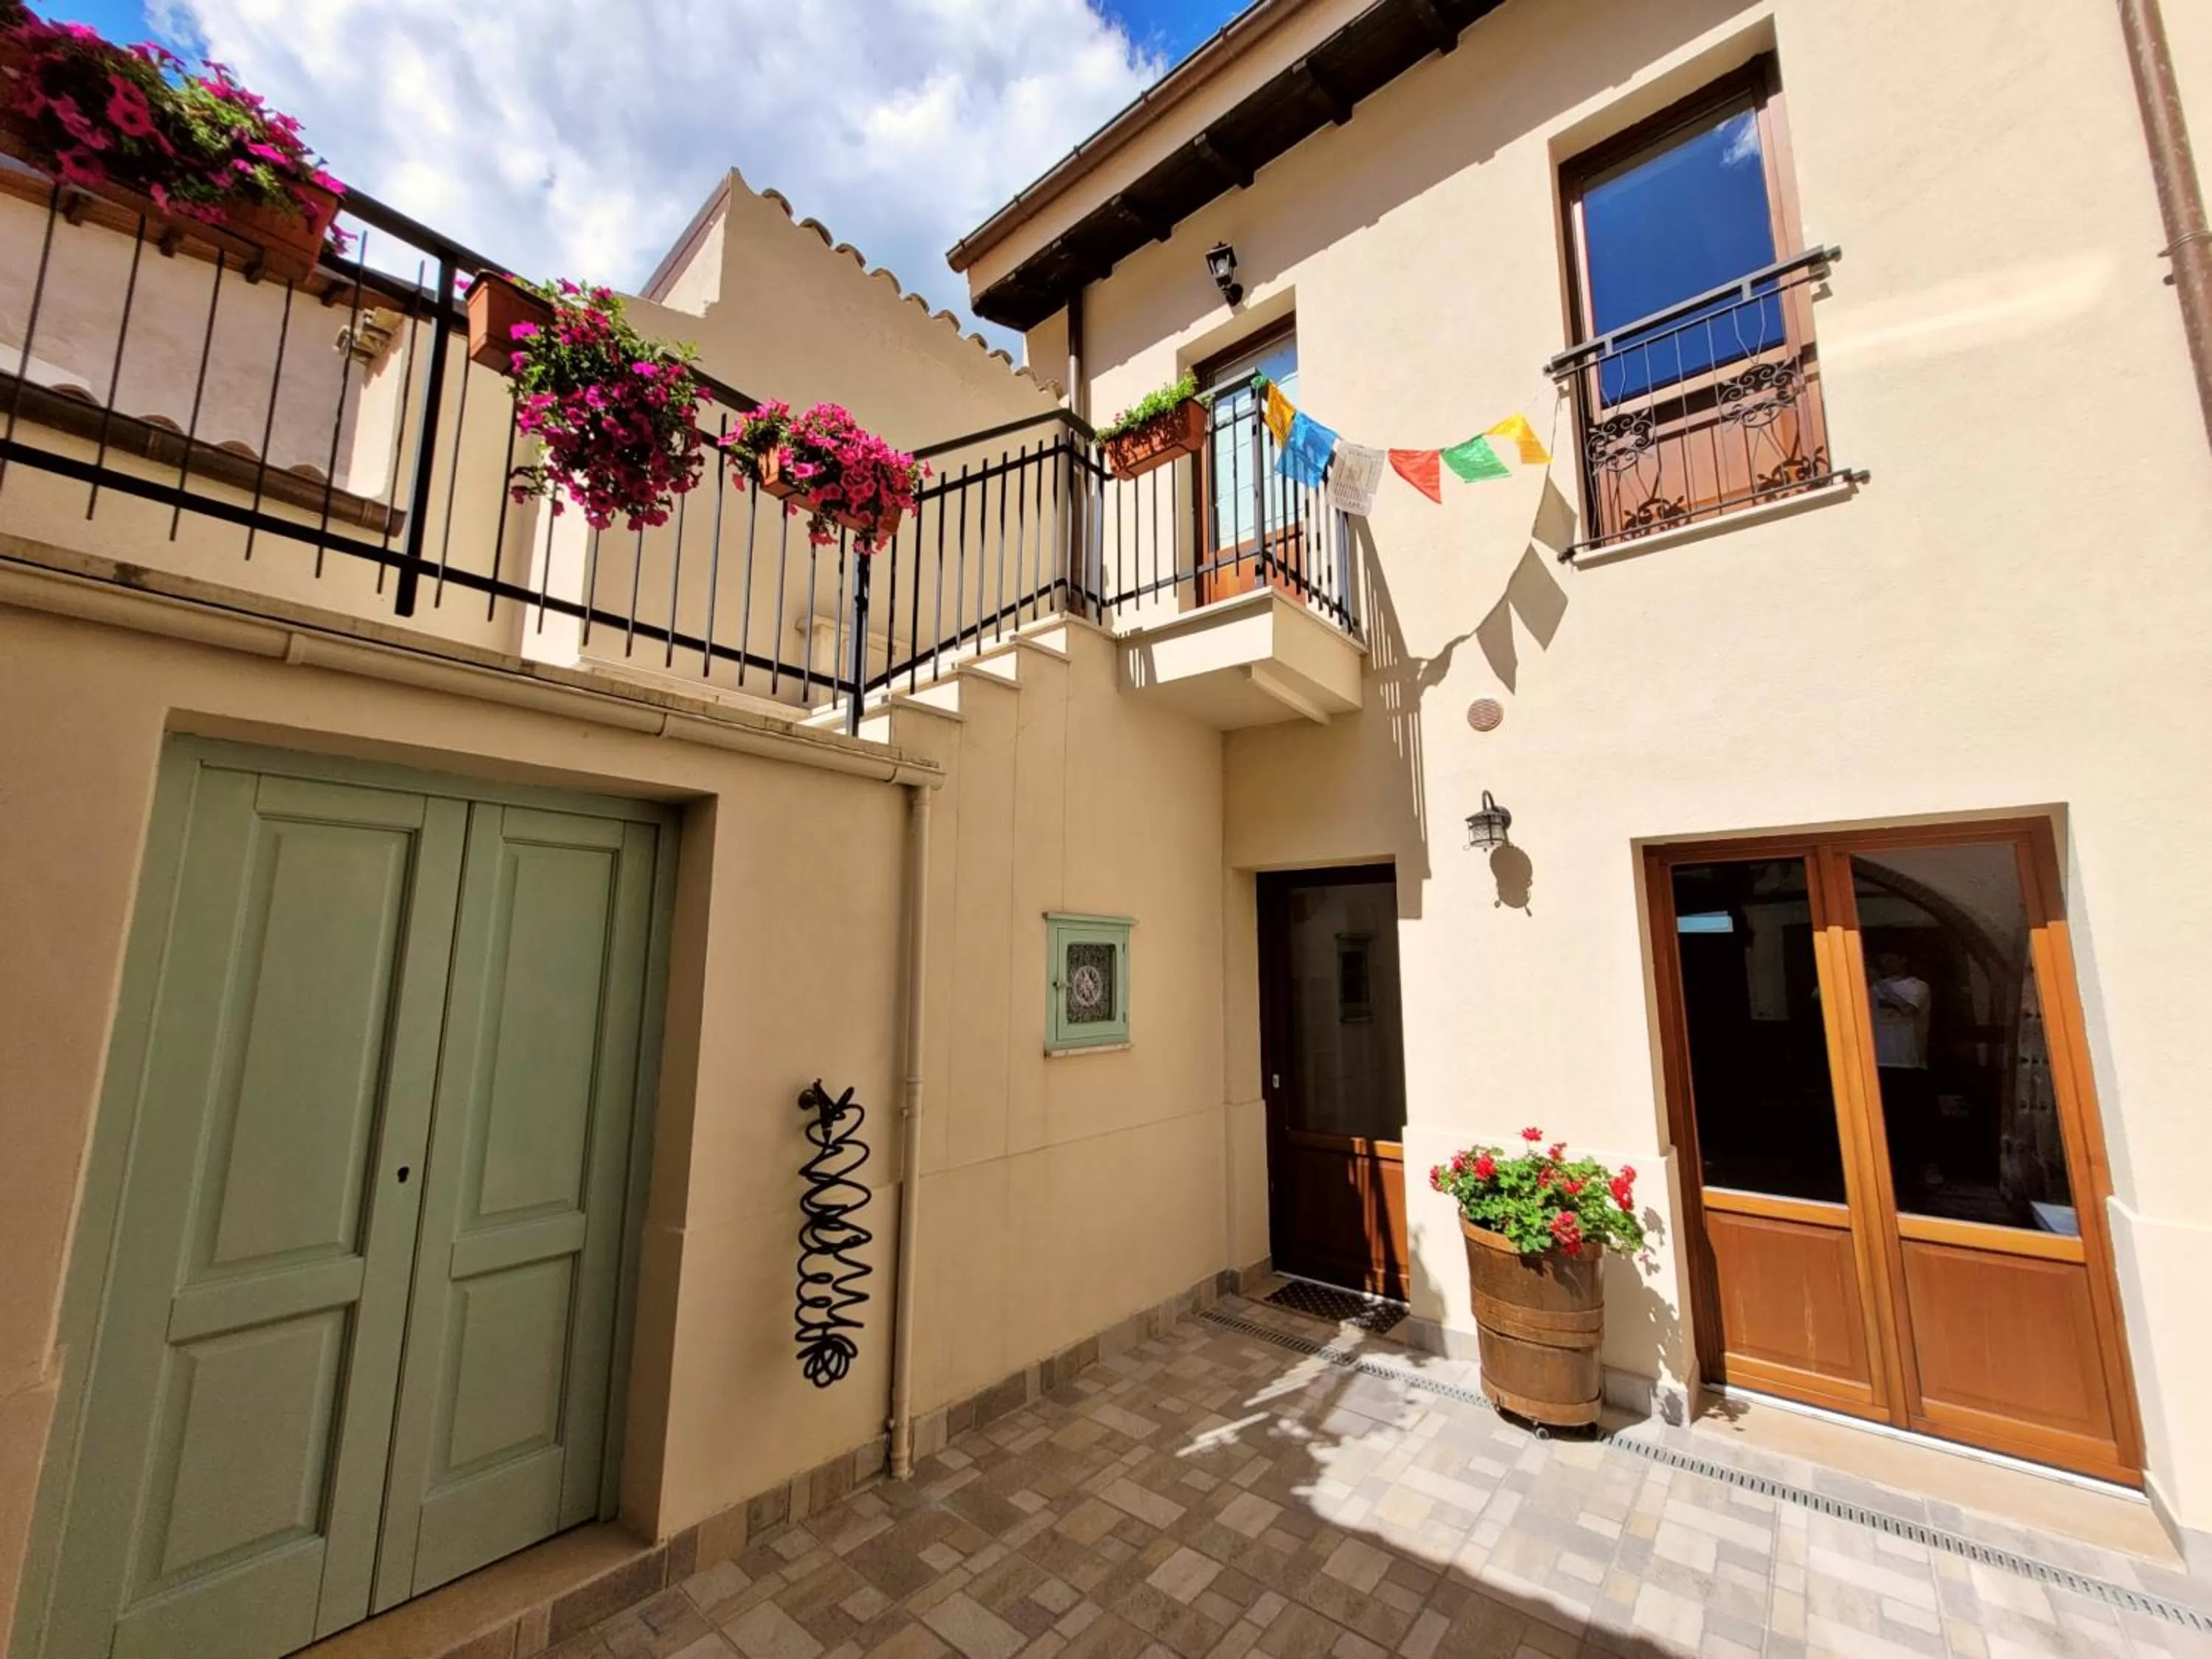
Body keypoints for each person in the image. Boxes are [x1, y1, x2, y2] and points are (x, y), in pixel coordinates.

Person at [1870, 950, 1939, 1193]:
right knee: (1885, 1120)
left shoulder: (1918, 987)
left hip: (1909, 1063)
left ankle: (1924, 1167)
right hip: (1879, 1062)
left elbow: (1907, 1010)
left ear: (1903, 958)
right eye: (1883, 959)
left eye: (1891, 957)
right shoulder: (1873, 987)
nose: (1886, 962)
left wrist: (1879, 986)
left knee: (1916, 1120)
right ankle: (1887, 1170)